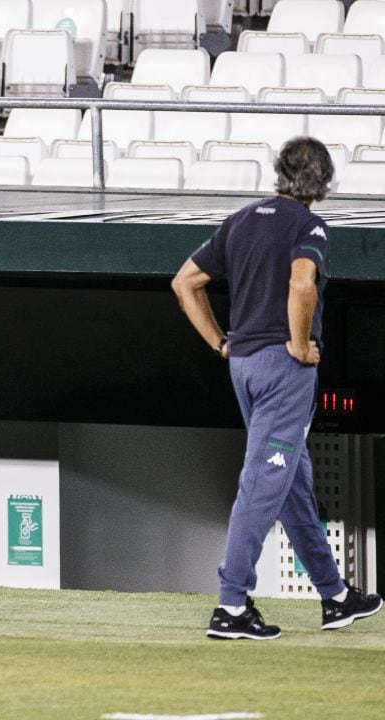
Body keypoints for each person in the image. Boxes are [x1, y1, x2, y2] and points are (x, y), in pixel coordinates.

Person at [172, 136, 382, 639]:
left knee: (291, 484)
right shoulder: (309, 225)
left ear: (279, 173)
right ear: (325, 184)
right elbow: (301, 283)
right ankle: (232, 605)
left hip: (242, 364)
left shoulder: (242, 220)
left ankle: (334, 595)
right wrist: (300, 342)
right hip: (283, 372)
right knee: (261, 486)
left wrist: (221, 344)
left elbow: (184, 282)